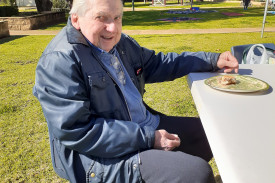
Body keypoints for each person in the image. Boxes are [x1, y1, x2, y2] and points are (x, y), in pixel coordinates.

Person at [33, 0, 239, 182]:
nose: (112, 28)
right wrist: (149, 138)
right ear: (76, 19)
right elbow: (77, 130)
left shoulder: (121, 44)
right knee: (198, 174)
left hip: (141, 126)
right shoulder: (59, 60)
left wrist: (212, 60)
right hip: (98, 157)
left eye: (117, 17)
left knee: (210, 134)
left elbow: (159, 63)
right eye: (101, 18)